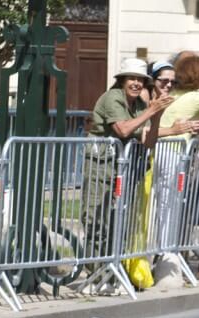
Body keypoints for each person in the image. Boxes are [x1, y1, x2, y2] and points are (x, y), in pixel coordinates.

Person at [83, 58, 173, 255]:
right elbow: (123, 130)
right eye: (132, 78)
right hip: (101, 164)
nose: (136, 83)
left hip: (124, 167)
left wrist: (157, 116)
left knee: (119, 220)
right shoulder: (112, 97)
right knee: (96, 218)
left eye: (140, 80)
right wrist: (151, 110)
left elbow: (148, 141)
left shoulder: (139, 104)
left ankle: (112, 265)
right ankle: (94, 267)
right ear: (122, 80)